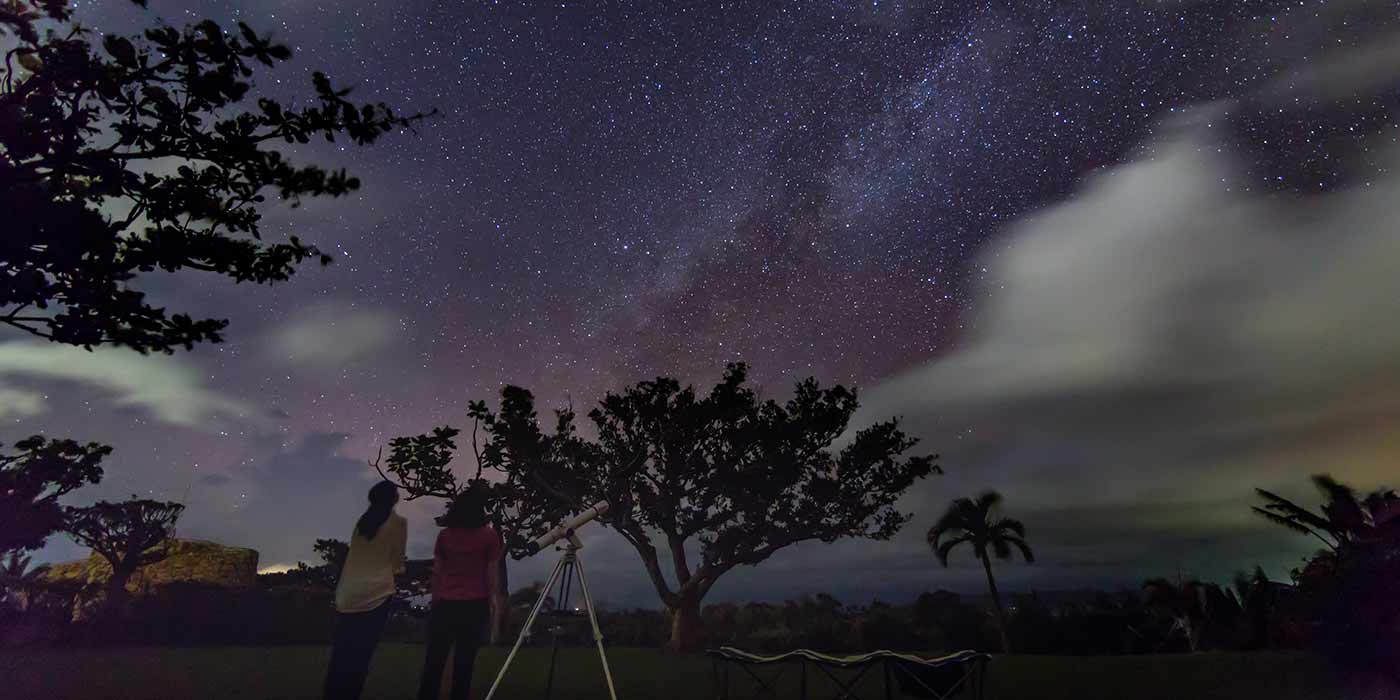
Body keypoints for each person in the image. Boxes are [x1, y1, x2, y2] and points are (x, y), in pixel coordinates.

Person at [417, 490, 506, 700]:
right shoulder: (489, 535)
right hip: (475, 604)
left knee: (435, 660)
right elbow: (491, 570)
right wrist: (493, 600)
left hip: (445, 603)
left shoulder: (445, 535)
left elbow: (438, 571)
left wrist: (435, 599)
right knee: (465, 661)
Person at [323, 480, 406, 700]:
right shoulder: (398, 523)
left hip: (348, 594)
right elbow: (397, 564)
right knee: (361, 655)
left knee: (341, 653)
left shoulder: (362, 523)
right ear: (393, 498)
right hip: (376, 595)